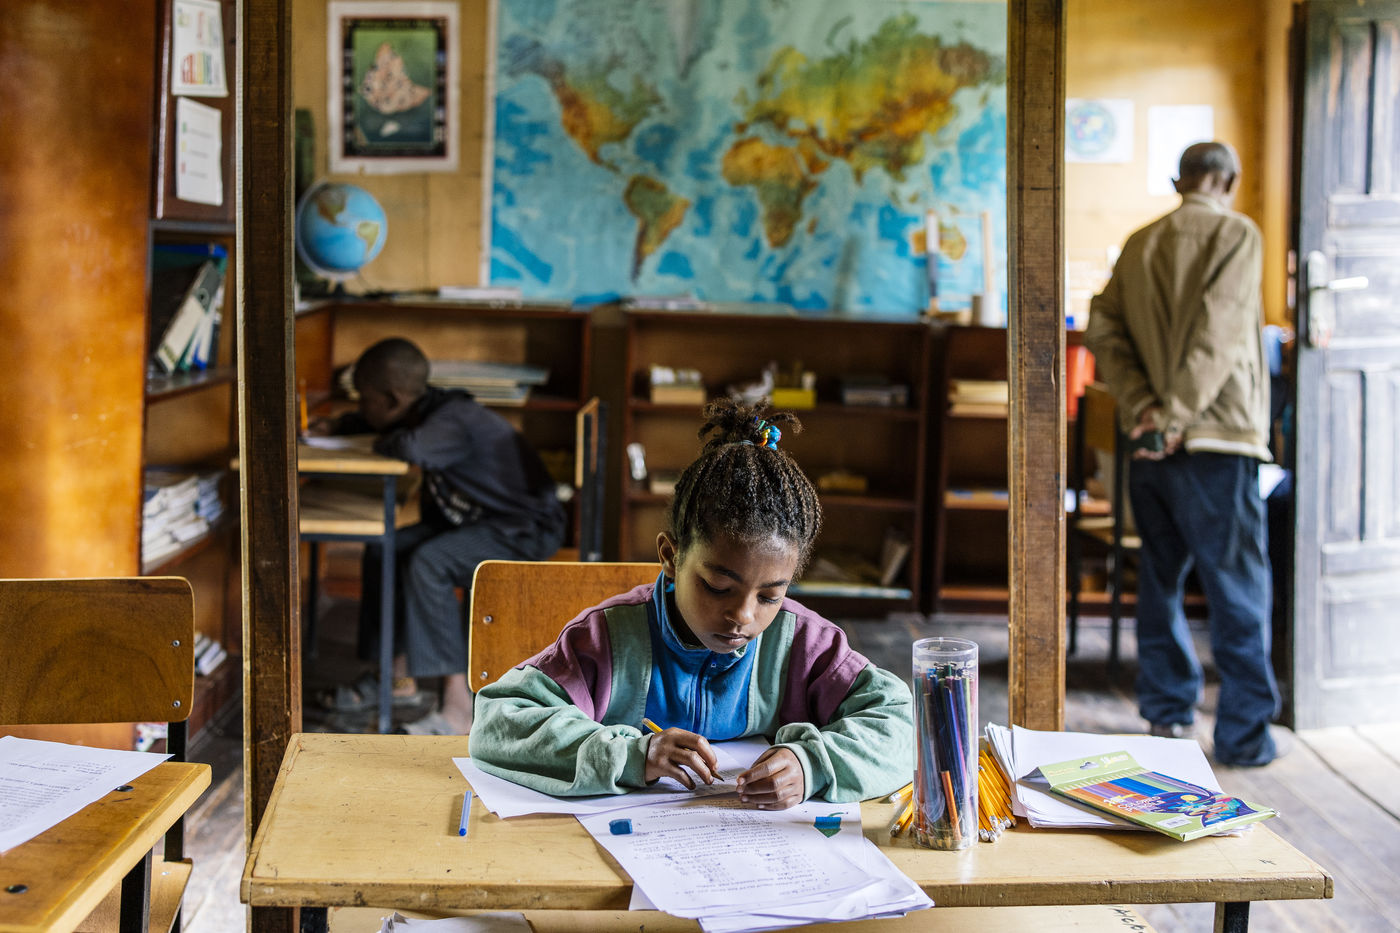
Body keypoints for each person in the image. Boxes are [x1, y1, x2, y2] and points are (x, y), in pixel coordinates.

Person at [468, 398, 913, 808]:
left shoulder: (803, 645)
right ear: (670, 556)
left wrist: (812, 764)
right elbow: (497, 723)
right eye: (718, 586)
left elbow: (900, 726)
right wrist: (631, 754)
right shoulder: (607, 640)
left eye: (769, 596)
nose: (743, 616)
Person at [1084, 141, 1281, 767]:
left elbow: (1101, 325)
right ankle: (1243, 736)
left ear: (1179, 181)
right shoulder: (1237, 233)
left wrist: (1146, 407)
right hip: (1217, 437)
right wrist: (1176, 415)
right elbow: (1219, 332)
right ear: (1230, 180)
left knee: (1160, 577)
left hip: (1149, 440)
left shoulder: (1140, 243)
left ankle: (1166, 716)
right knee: (1237, 585)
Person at [314, 337, 566, 735]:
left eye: (364, 400)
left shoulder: (452, 420)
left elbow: (410, 445)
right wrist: (343, 425)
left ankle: (458, 706)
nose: (361, 407)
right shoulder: (425, 408)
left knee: (429, 562)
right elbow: (391, 424)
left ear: (393, 399)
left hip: (522, 529)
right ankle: (396, 678)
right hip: (474, 521)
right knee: (386, 549)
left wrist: (375, 435)